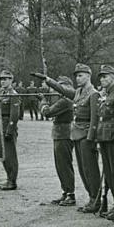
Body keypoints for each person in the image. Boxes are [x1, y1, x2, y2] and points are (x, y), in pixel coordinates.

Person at [32, 63, 101, 213]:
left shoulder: (93, 93)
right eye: (76, 75)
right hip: (77, 134)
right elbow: (62, 90)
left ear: (88, 76)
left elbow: (95, 119)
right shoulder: (78, 92)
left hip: (86, 135)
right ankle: (92, 198)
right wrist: (48, 80)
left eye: (81, 75)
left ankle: (96, 199)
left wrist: (91, 138)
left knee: (91, 170)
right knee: (83, 170)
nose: (78, 78)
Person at [39, 76, 75, 206]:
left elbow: (48, 112)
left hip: (64, 134)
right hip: (60, 134)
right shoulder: (63, 99)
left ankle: (70, 194)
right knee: (60, 165)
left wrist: (43, 101)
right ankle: (65, 192)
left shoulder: (66, 100)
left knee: (64, 165)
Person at [96, 65, 114, 220]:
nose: (102, 79)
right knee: (108, 172)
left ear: (113, 78)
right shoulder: (104, 94)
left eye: (105, 76)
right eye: (101, 77)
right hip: (104, 137)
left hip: (113, 138)